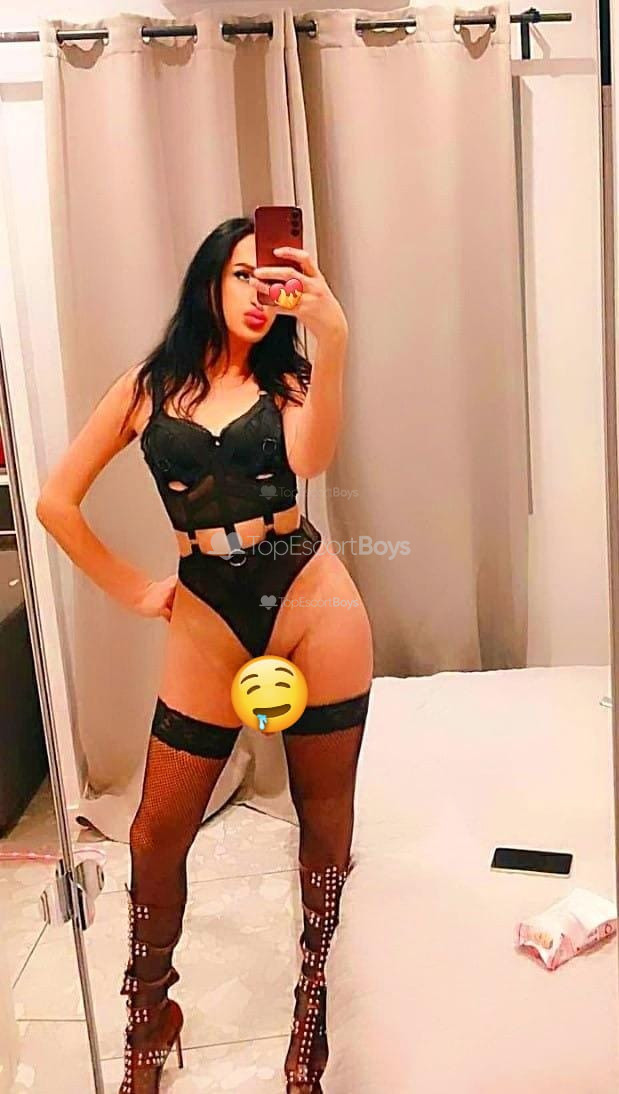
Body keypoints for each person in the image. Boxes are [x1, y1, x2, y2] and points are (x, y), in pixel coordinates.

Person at [36, 216, 374, 1094]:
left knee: (324, 817)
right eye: (242, 276)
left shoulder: (290, 378)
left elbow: (311, 457)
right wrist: (132, 589)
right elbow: (56, 503)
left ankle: (311, 1007)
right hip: (207, 613)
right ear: (208, 283)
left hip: (310, 599)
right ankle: (149, 1016)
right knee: (156, 832)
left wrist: (333, 338)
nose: (260, 294)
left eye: (275, 279)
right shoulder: (148, 387)